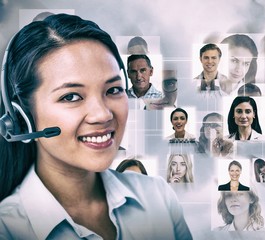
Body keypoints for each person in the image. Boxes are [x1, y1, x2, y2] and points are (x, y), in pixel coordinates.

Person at [0, 14, 192, 239]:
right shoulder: (8, 230)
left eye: (113, 90)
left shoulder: (157, 197)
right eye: (71, 96)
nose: (103, 114)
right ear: (23, 117)